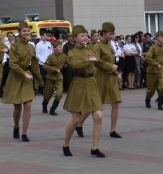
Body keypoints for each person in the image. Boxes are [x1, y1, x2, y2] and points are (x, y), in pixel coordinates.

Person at [63, 25, 106, 158]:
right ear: (75, 38)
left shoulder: (90, 50)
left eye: (86, 35)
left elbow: (98, 62)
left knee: (98, 116)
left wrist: (113, 69)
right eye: (82, 36)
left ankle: (95, 147)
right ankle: (65, 144)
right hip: (79, 84)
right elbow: (76, 65)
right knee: (76, 119)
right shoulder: (71, 52)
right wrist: (88, 61)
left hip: (91, 83)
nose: (85, 37)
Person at [77, 22, 122, 138]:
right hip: (101, 77)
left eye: (113, 34)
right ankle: (79, 123)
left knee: (116, 103)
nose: (112, 36)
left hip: (111, 77)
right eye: (110, 34)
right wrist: (110, 67)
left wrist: (116, 73)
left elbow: (112, 62)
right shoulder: (97, 46)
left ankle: (113, 130)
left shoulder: (110, 45)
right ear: (103, 33)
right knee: (95, 105)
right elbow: (96, 61)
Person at [2, 22, 42, 141]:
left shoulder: (31, 46)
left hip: (27, 76)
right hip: (16, 77)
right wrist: (24, 73)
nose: (26, 33)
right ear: (19, 32)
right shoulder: (14, 46)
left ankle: (24, 133)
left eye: (28, 31)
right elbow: (12, 64)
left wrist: (40, 79)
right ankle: (16, 126)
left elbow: (34, 64)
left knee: (28, 104)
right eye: (24, 31)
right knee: (17, 107)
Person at [42, 40, 67, 115]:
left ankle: (53, 109)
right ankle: (44, 104)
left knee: (59, 94)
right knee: (47, 95)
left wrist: (67, 65)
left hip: (59, 78)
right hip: (50, 78)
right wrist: (54, 69)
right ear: (55, 48)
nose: (61, 48)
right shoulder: (50, 57)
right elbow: (45, 66)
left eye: (61, 47)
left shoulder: (64, 56)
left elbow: (69, 62)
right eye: (59, 47)